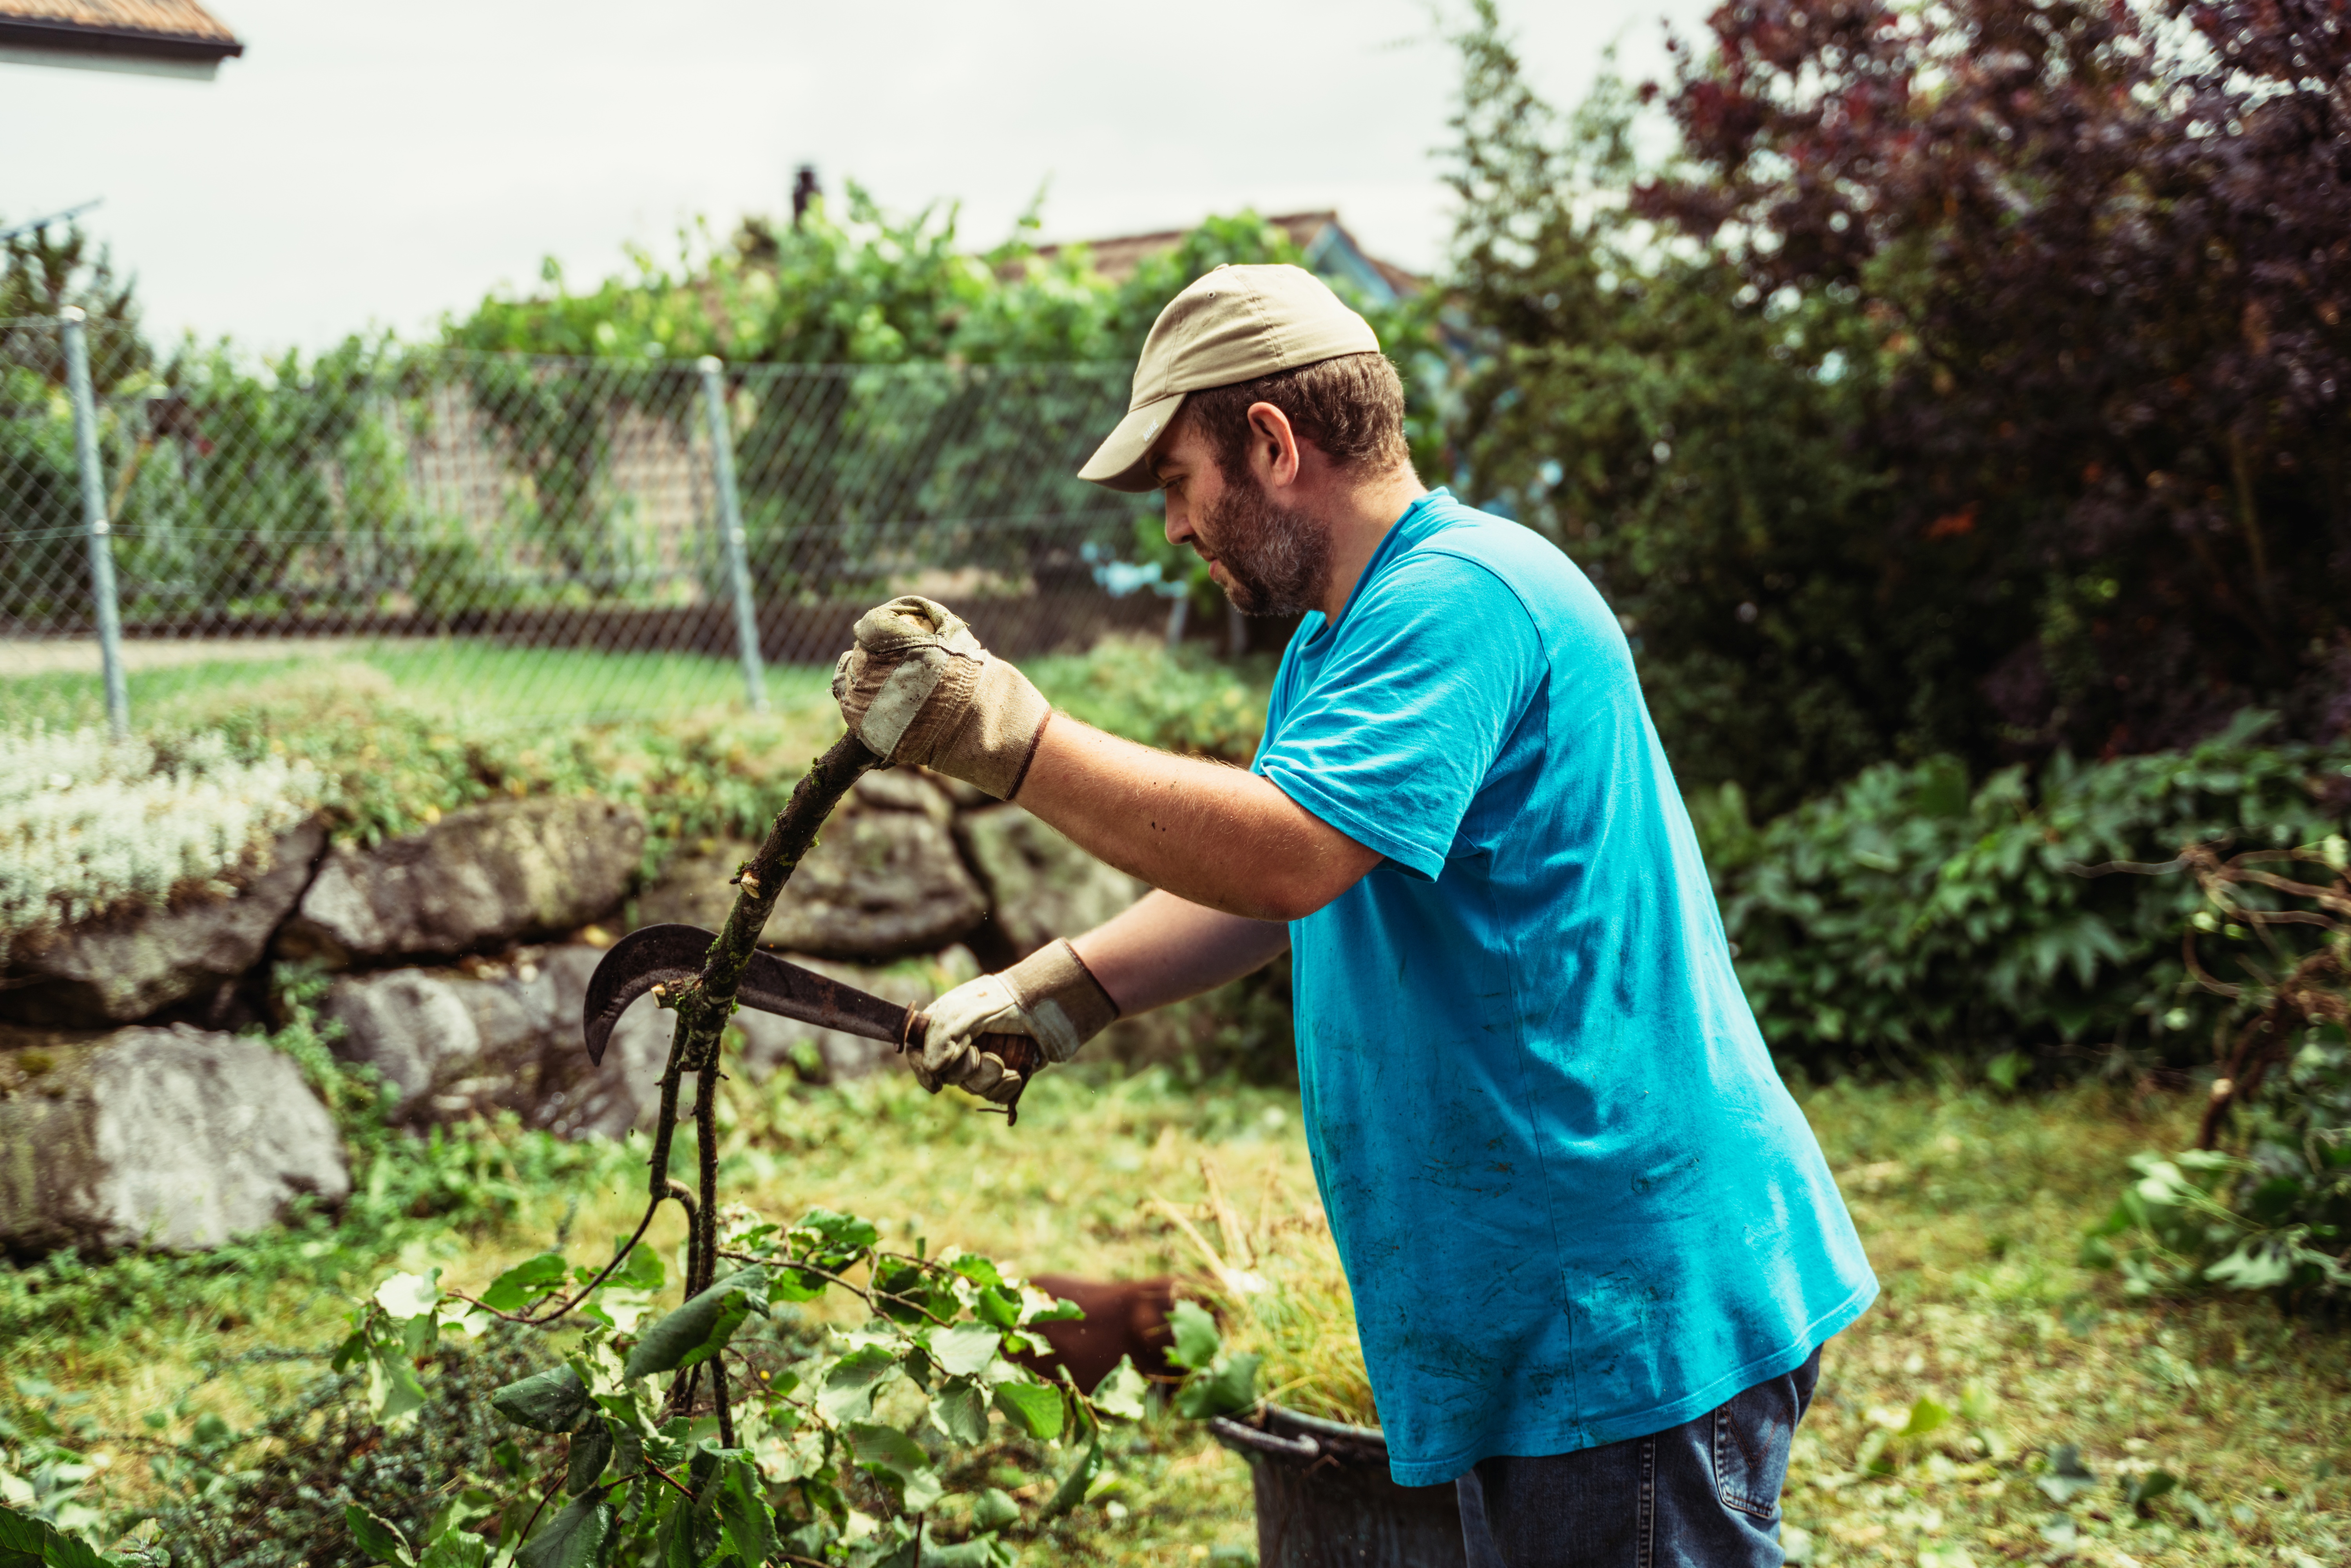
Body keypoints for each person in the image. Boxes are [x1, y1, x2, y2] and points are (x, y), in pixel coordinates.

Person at [829, 263, 1876, 1566]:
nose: (1172, 529)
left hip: (1615, 1293)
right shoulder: (1344, 642)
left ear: (1270, 443)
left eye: (1176, 482)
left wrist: (1009, 736)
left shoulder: (1464, 600)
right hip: (1541, 1292)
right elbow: (1292, 891)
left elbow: (1287, 857)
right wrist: (1063, 987)